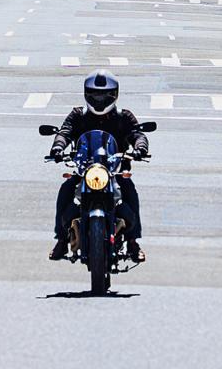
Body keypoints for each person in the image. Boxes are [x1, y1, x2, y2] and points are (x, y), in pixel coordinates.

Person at [49, 71, 148, 263]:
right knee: (66, 189)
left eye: (105, 95)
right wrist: (58, 147)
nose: (99, 99)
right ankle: (61, 240)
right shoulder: (78, 115)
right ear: (87, 94)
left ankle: (133, 242)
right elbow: (64, 133)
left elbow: (138, 134)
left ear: (114, 94)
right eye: (95, 94)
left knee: (129, 190)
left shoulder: (123, 117)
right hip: (84, 170)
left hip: (114, 171)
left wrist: (140, 148)